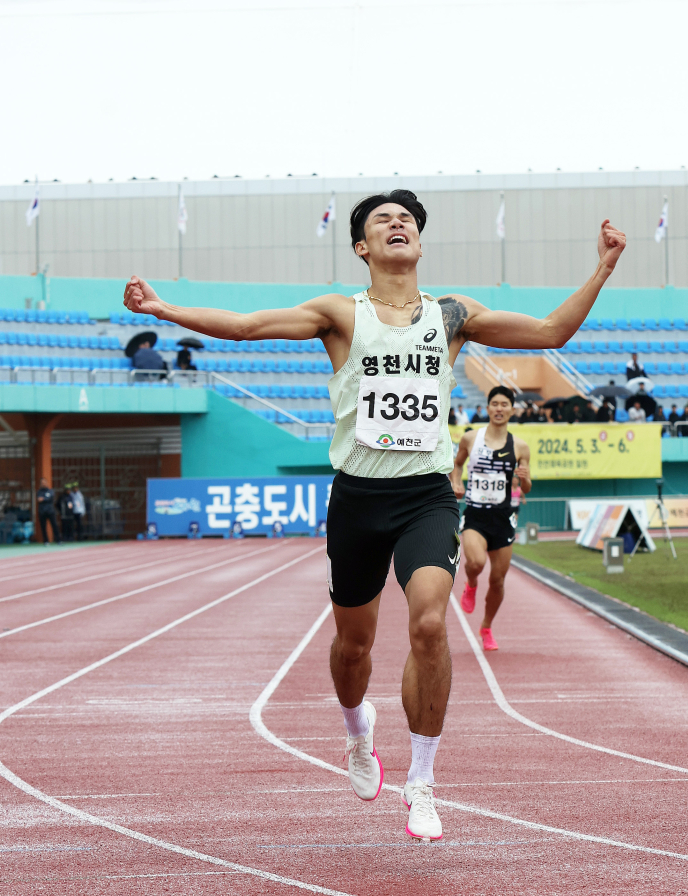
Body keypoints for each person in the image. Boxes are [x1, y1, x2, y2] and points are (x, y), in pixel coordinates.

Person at [123, 190, 626, 842]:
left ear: (419, 241)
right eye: (383, 220)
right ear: (362, 246)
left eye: (408, 219)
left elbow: (552, 333)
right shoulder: (341, 313)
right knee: (352, 647)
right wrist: (164, 309)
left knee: (427, 623)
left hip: (426, 496)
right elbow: (246, 326)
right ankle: (358, 730)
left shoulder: (452, 315)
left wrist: (603, 267)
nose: (398, 224)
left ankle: (422, 780)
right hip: (358, 499)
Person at [451, 386, 531, 651]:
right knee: (475, 562)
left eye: (504, 404)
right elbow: (457, 464)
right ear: (487, 408)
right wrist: (456, 482)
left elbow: (526, 486)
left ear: (512, 409)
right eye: (494, 404)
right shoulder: (471, 439)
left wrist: (525, 479)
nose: (499, 408)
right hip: (475, 514)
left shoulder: (520, 446)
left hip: (503, 517)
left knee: (498, 579)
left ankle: (486, 627)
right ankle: (471, 583)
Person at [36, 478, 61, 545]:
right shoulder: (39, 492)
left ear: (47, 483)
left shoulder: (51, 491)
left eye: (44, 482)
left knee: (54, 525)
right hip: (42, 511)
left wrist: (43, 498)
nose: (43, 484)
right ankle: (46, 541)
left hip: (50, 511)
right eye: (42, 483)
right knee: (43, 527)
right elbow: (39, 499)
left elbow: (50, 498)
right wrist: (45, 498)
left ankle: (58, 540)